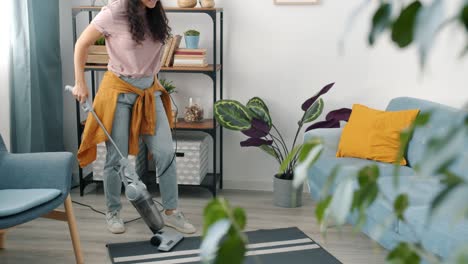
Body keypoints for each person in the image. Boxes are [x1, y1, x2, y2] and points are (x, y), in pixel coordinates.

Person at [71, 0, 196, 235]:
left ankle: (171, 211)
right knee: (116, 158)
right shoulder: (115, 10)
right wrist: (80, 82)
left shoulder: (156, 12)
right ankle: (113, 212)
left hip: (148, 91)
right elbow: (82, 43)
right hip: (118, 90)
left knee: (165, 152)